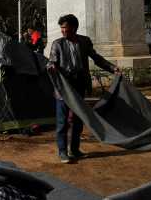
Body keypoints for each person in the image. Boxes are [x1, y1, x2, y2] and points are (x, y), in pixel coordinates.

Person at [48, 14, 120, 164]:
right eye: (61, 28)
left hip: (79, 86)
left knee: (77, 120)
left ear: (74, 28)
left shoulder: (84, 41)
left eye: (65, 28)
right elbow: (51, 61)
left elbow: (97, 58)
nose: (63, 31)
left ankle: (74, 150)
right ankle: (62, 152)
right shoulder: (57, 44)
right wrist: (52, 66)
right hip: (63, 89)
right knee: (62, 122)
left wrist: (112, 68)